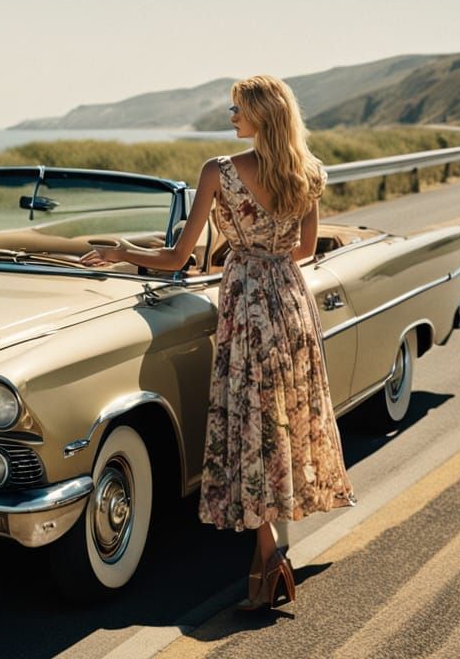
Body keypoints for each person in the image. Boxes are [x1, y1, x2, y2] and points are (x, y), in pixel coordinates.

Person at [81, 74, 355, 610]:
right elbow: (303, 247)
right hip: (291, 307)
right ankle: (265, 566)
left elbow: (178, 258)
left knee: (253, 428)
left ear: (260, 116)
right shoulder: (310, 174)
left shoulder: (219, 173)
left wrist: (122, 251)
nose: (231, 118)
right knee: (280, 427)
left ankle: (272, 557)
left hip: (246, 310)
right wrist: (269, 259)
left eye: (237, 110)